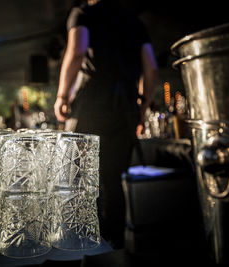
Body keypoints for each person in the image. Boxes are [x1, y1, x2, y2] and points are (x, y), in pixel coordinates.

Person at [54, 0, 158, 249]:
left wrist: (62, 95)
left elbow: (77, 51)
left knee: (79, 180)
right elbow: (151, 69)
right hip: (125, 110)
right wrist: (141, 109)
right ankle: (115, 249)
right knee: (113, 181)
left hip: (91, 107)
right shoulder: (135, 22)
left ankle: (82, 247)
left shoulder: (83, 13)